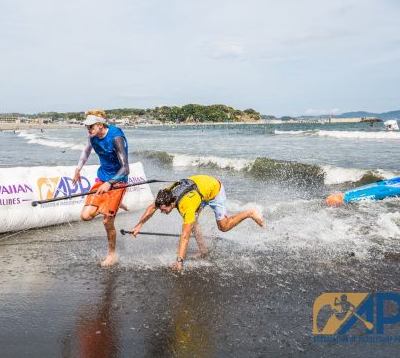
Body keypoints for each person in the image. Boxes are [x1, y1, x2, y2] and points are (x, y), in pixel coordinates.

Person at [131, 175, 264, 271]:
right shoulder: (166, 194)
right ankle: (203, 250)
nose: (162, 211)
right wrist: (139, 225)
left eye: (164, 209)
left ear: (172, 203)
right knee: (193, 222)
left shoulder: (186, 206)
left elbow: (185, 236)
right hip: (199, 190)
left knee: (223, 226)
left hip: (214, 190)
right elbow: (152, 208)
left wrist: (179, 261)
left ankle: (249, 213)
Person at [72, 110, 130, 267]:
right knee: (85, 215)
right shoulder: (92, 137)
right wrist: (78, 169)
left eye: (91, 127)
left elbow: (125, 168)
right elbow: (86, 152)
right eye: (87, 127)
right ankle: (114, 204)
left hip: (118, 181)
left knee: (107, 222)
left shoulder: (116, 137)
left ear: (100, 125)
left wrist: (109, 183)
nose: (88, 130)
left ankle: (112, 255)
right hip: (102, 178)